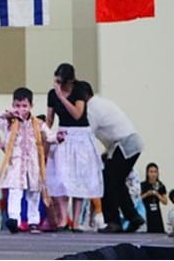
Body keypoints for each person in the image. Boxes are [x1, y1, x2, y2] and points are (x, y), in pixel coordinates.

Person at [0, 87, 60, 234]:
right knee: (15, 192)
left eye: (24, 106)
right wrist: (7, 113)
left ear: (31, 106)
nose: (21, 109)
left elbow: (50, 136)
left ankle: (33, 222)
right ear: (12, 105)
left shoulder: (38, 124)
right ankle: (13, 220)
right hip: (15, 164)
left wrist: (59, 138)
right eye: (17, 105)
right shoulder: (9, 122)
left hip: (33, 165)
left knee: (33, 194)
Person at [45, 64, 103, 231]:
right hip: (63, 135)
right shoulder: (52, 94)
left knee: (79, 179)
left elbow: (77, 114)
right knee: (62, 178)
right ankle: (64, 219)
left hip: (80, 135)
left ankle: (76, 221)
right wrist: (46, 137)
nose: (58, 85)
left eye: (61, 82)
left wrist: (62, 97)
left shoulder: (80, 89)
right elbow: (50, 119)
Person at [83, 82, 146, 233]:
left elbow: (87, 134)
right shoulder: (101, 102)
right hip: (129, 143)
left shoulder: (91, 108)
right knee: (116, 182)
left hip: (125, 145)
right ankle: (133, 216)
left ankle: (113, 221)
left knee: (107, 181)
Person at [140, 163, 168, 233]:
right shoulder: (142, 185)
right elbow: (137, 200)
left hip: (156, 213)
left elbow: (165, 202)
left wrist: (157, 194)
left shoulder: (161, 185)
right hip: (145, 212)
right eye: (151, 172)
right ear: (147, 173)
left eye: (155, 171)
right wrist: (147, 194)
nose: (153, 174)